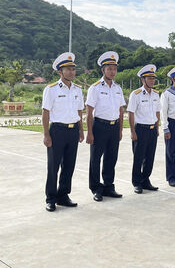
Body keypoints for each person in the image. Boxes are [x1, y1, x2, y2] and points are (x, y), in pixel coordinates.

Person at [41, 52, 84, 212]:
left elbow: (79, 111)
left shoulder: (77, 90)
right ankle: (50, 198)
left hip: (73, 131)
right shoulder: (51, 89)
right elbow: (45, 113)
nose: (72, 72)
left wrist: (81, 130)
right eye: (68, 69)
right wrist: (46, 134)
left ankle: (63, 195)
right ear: (60, 72)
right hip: (57, 131)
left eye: (73, 69)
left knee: (69, 165)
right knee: (53, 166)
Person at [86, 51, 126, 202]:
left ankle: (109, 186)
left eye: (114, 69)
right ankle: (96, 188)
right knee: (96, 159)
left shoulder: (117, 88)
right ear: (103, 70)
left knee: (111, 158)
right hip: (99, 126)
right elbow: (89, 112)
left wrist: (120, 130)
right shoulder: (95, 88)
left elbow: (121, 110)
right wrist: (89, 132)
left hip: (114, 127)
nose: (112, 71)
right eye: (109, 68)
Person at [127, 64, 161, 194]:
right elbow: (131, 113)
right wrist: (132, 131)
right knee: (138, 157)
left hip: (152, 129)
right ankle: (137, 182)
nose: (152, 81)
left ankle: (146, 180)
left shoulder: (156, 94)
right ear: (143, 79)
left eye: (153, 78)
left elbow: (157, 112)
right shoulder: (136, 94)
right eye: (149, 78)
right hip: (140, 129)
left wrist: (157, 127)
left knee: (150, 157)